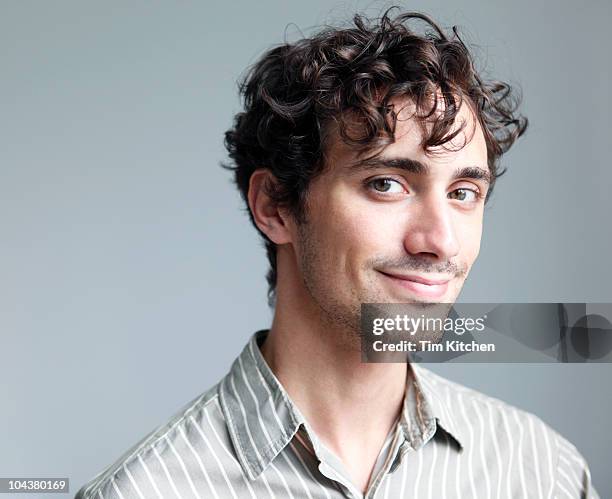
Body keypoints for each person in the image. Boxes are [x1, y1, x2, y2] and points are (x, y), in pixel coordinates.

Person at [76, 8, 599, 498]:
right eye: (386, 183)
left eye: (463, 193)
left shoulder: (541, 472)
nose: (440, 241)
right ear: (276, 205)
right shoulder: (143, 490)